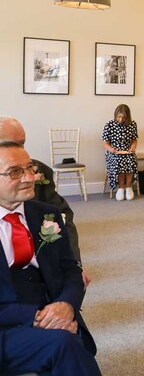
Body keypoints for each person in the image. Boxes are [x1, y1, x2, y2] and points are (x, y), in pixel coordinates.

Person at [0, 141, 103, 376]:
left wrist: (65, 306)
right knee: (63, 346)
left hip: (50, 310)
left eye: (30, 168)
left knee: (62, 358)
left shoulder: (46, 214)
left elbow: (70, 268)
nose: (29, 177)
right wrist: (38, 318)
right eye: (15, 172)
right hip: (5, 327)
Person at [0, 117, 89, 288]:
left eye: (22, 144)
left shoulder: (39, 172)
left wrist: (75, 264)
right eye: (10, 144)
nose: (28, 177)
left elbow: (62, 217)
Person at [102, 104, 138, 201]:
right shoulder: (109, 125)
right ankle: (121, 188)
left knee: (131, 160)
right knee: (119, 161)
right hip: (113, 152)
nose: (121, 119)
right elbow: (105, 143)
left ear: (128, 117)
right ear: (116, 115)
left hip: (127, 151)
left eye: (124, 117)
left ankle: (129, 188)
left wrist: (133, 148)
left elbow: (134, 140)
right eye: (119, 117)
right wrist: (112, 150)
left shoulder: (132, 124)